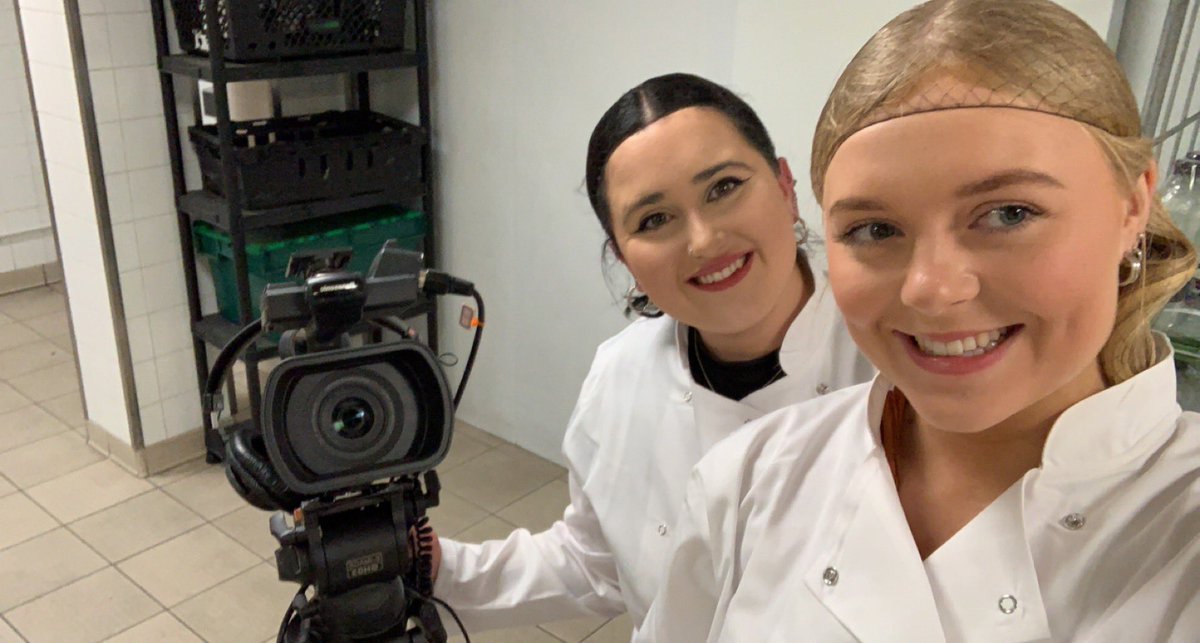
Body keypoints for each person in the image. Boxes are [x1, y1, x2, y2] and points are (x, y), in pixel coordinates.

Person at [637, 1, 1200, 641]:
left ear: (1134, 203)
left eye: (1009, 213)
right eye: (875, 229)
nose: (931, 289)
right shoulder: (750, 477)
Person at [430, 73, 874, 636]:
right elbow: (594, 564)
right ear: (622, 255)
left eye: (724, 187)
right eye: (654, 220)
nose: (703, 240)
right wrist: (442, 570)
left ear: (785, 187)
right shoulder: (621, 376)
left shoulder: (895, 361)